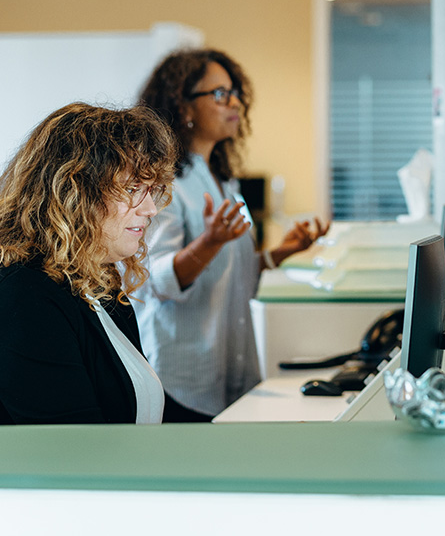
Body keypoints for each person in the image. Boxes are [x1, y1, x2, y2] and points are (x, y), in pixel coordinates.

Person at [136, 49, 329, 422]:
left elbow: (228, 274)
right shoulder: (165, 183)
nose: (236, 102)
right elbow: (156, 280)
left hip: (228, 368)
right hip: (182, 377)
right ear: (185, 107)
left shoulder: (223, 180)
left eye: (236, 92)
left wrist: (282, 253)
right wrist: (209, 242)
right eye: (221, 94)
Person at [0, 103, 176, 425]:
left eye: (151, 190)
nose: (151, 208)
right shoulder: (24, 298)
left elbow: (138, 399)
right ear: (74, 192)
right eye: (133, 189)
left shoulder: (98, 279)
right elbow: (73, 452)